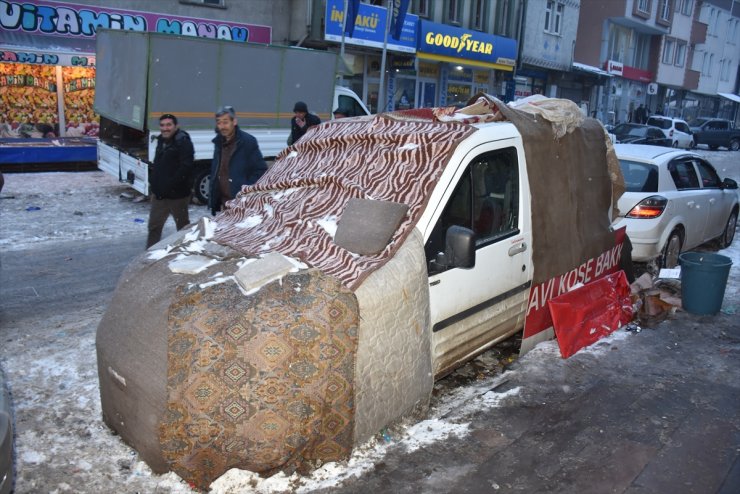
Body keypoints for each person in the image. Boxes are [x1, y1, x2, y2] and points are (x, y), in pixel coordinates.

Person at [146, 113, 195, 248]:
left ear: (176, 126)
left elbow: (186, 167)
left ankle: (186, 254)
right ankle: (149, 256)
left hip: (177, 196)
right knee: (154, 227)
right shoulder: (161, 140)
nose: (165, 128)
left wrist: (170, 185)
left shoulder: (183, 141)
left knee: (183, 229)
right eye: (162, 125)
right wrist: (154, 182)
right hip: (159, 195)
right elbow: (158, 164)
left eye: (168, 125)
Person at [209, 105, 267, 216]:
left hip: (241, 204)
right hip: (224, 204)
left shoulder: (247, 142)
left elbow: (261, 170)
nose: (222, 126)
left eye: (225, 122)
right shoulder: (218, 142)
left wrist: (244, 191)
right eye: (219, 122)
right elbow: (217, 169)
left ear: (234, 122)